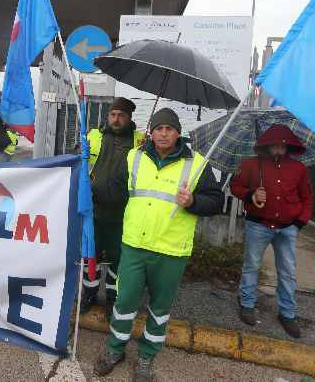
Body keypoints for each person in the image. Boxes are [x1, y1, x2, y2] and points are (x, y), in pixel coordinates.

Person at [95, 108, 222, 382]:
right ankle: (115, 349)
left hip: (171, 250)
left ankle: (146, 356)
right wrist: (88, 184)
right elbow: (114, 190)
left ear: (178, 133)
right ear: (150, 132)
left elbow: (216, 202)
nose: (163, 133)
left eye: (169, 129)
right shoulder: (133, 157)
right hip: (134, 246)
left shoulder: (197, 163)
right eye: (159, 128)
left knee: (159, 309)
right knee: (124, 302)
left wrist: (193, 202)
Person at [230, 124, 313, 339]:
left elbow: (307, 197)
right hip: (258, 225)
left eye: (283, 146)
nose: (279, 149)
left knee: (287, 271)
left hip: (288, 228)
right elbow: (235, 186)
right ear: (266, 145)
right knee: (252, 266)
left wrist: (299, 222)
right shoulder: (251, 165)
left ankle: (288, 313)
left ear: (289, 147)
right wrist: (251, 194)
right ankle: (247, 303)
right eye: (274, 145)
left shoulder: (299, 169)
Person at [81, 97, 144, 316]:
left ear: (129, 118)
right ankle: (88, 295)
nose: (116, 119)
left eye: (121, 115)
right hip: (94, 212)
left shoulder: (141, 141)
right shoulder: (93, 136)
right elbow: (78, 163)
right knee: (91, 257)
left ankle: (111, 298)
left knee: (118, 261)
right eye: (113, 114)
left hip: (124, 215)